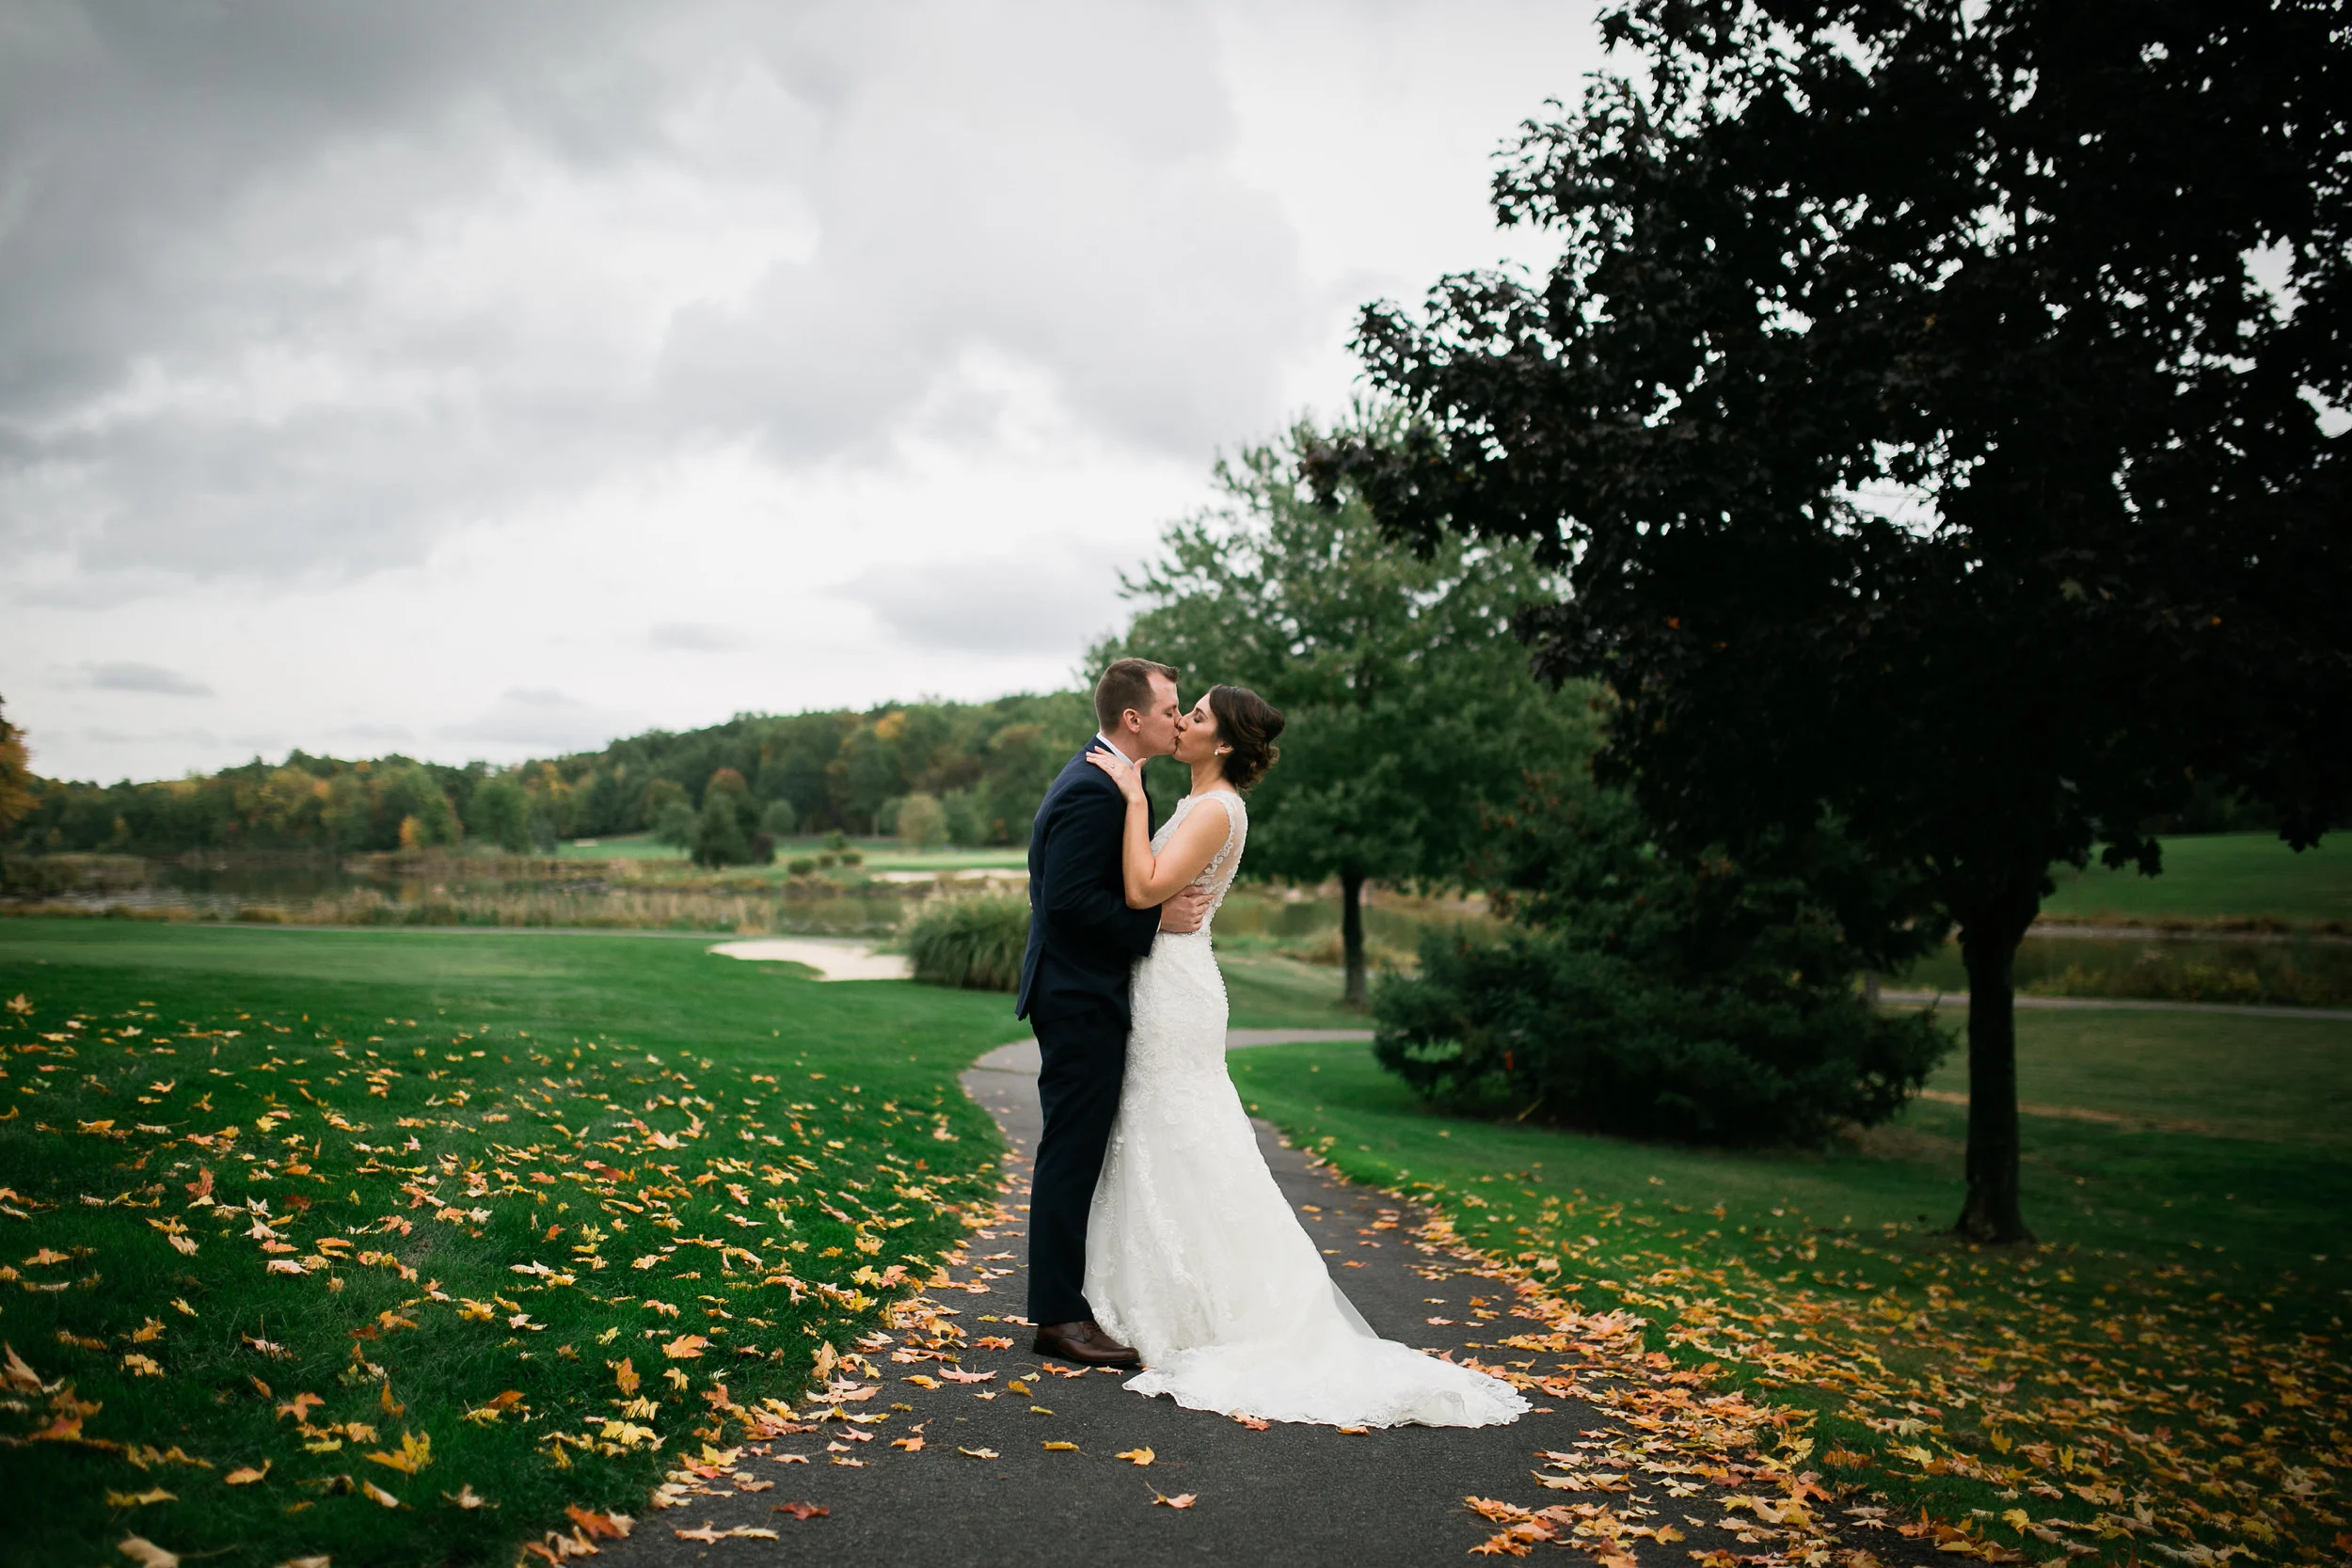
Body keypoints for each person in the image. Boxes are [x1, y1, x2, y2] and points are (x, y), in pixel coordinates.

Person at [1076, 682, 1528, 1429]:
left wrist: (1131, 803)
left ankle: (1219, 1307)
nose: (1182, 723)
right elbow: (1154, 896)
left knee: (1185, 1134)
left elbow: (1143, 884)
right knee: (1165, 1134)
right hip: (1165, 975)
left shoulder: (1216, 807)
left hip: (1176, 989)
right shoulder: (1198, 802)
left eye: (1195, 717)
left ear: (1221, 743)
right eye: (1182, 712)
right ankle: (1152, 1292)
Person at [1014, 657, 1208, 1369]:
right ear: (1133, 718)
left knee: (1081, 1150)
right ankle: (1058, 1317)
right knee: (1070, 1152)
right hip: (1077, 998)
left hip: (1085, 991)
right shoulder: (1096, 788)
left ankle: (1072, 1302)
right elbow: (1065, 904)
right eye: (1169, 710)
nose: (1178, 720)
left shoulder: (1116, 779)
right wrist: (1158, 924)